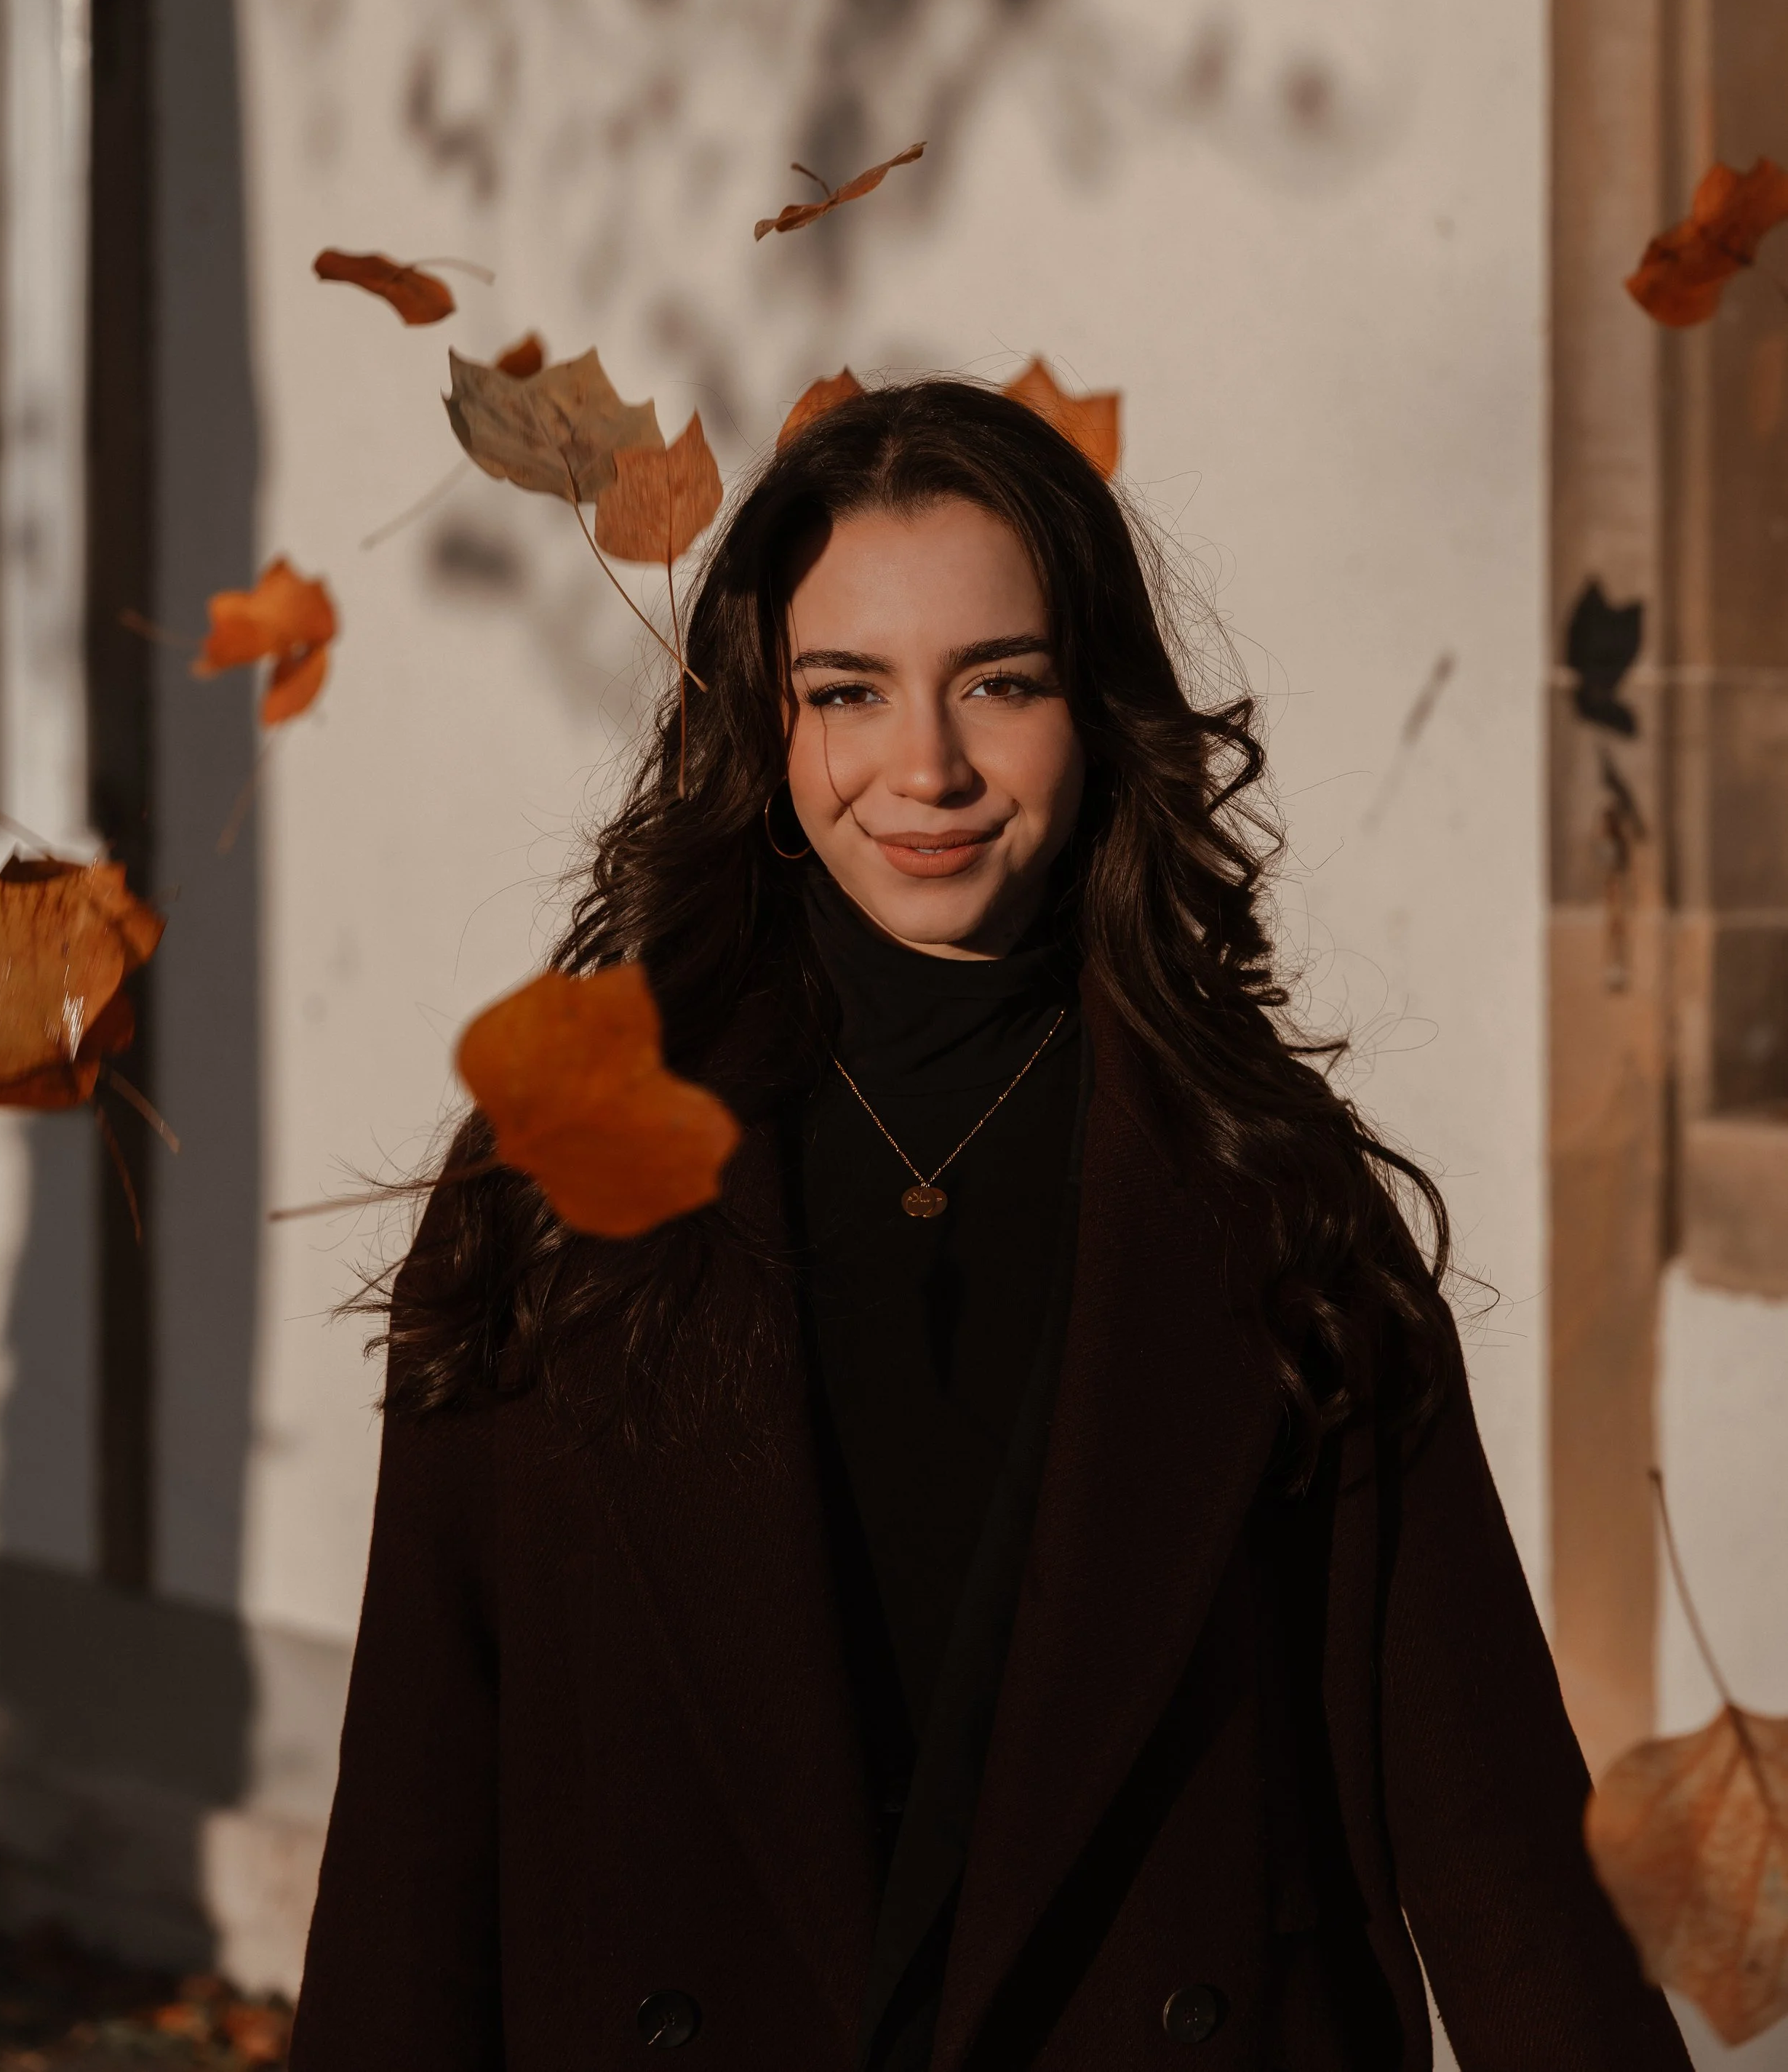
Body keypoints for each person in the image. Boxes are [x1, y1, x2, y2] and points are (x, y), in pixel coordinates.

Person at [290, 379, 1688, 2072]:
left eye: (999, 683)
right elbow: (416, 1840)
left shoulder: (1267, 1189)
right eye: (847, 690)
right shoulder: (563, 1176)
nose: (926, 766)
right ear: (763, 718)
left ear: (1092, 708)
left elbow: (1487, 1827)